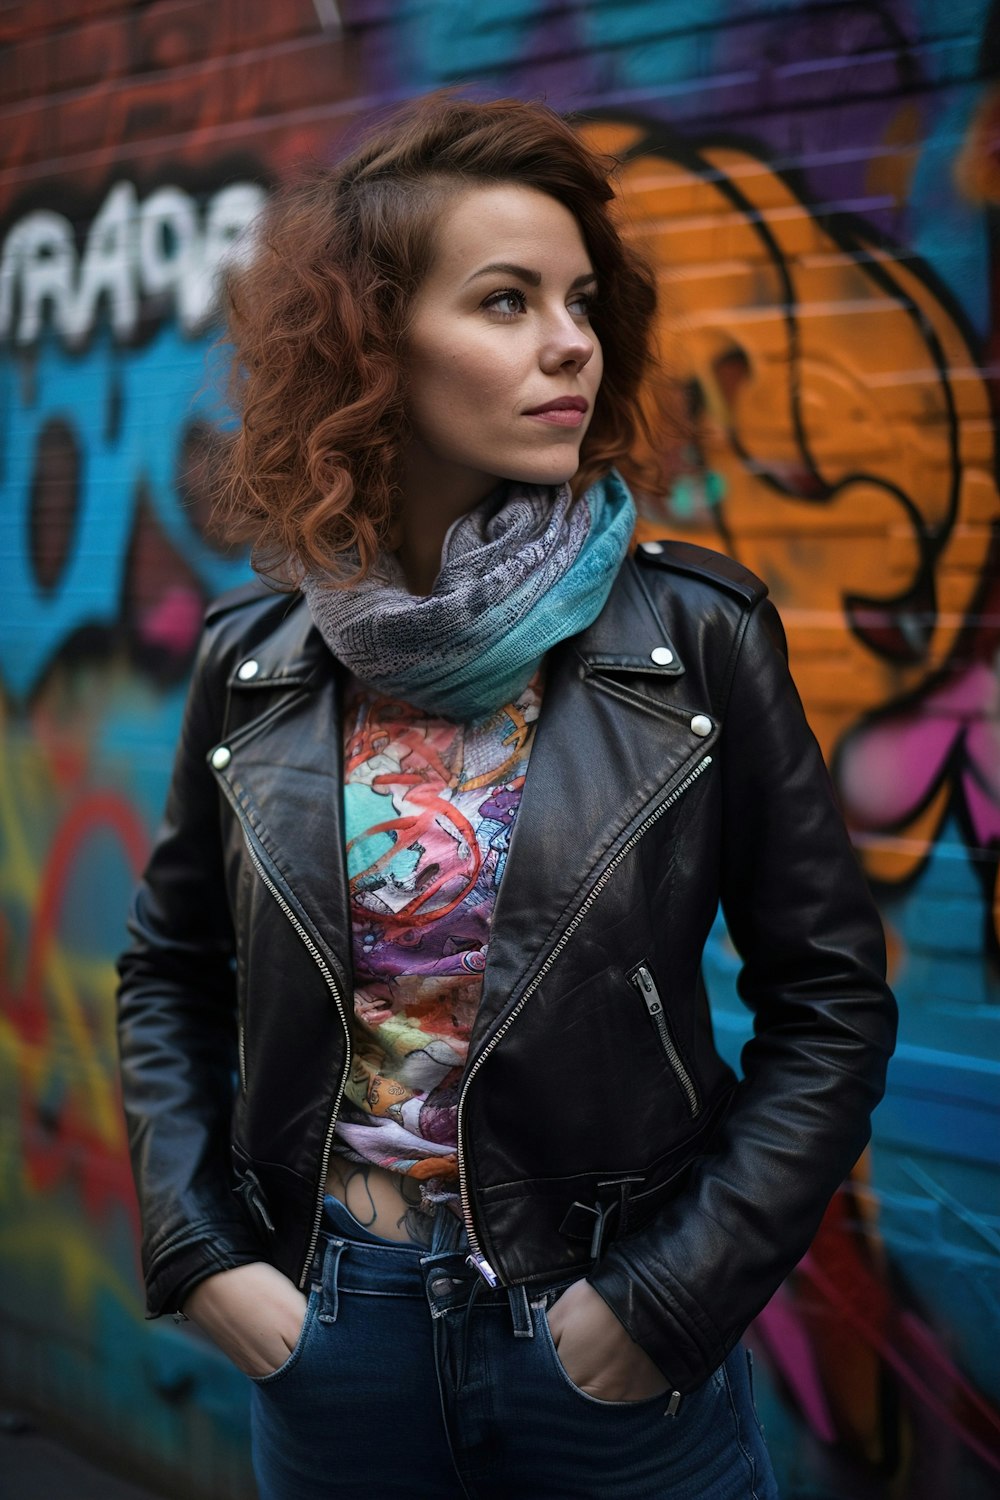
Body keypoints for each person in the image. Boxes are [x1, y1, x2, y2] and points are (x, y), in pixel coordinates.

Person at [116, 94, 897, 1500]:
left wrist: (663, 1306)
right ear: (371, 351)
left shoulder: (694, 636)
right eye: (505, 300)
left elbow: (831, 1001)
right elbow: (168, 973)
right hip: (331, 1331)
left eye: (583, 300)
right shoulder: (253, 663)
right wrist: (207, 1256)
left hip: (606, 1340)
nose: (571, 342)